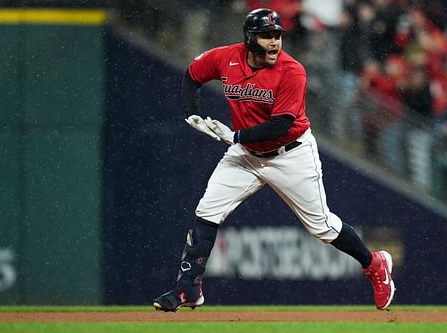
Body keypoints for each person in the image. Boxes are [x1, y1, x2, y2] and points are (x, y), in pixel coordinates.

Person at [153, 8, 395, 312]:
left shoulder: (291, 70)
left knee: (321, 227)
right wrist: (191, 112)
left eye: (277, 35)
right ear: (249, 38)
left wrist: (234, 138)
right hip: (245, 154)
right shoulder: (227, 58)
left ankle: (374, 263)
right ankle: (187, 289)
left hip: (290, 153)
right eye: (267, 36)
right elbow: (192, 74)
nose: (274, 42)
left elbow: (279, 125)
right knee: (207, 212)